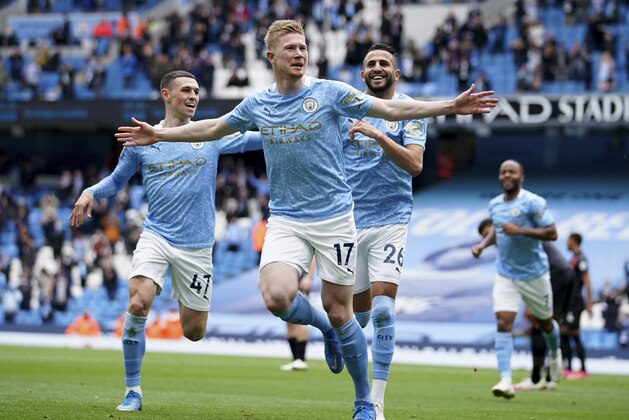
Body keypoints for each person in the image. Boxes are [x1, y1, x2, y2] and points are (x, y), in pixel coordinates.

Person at [115, 20, 497, 419]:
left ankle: (364, 401)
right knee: (277, 297)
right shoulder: (258, 103)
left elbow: (392, 108)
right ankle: (325, 329)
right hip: (286, 219)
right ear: (272, 57)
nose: (300, 54)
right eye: (291, 48)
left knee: (341, 309)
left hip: (335, 220)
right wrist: (158, 136)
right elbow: (212, 128)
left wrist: (450, 106)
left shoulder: (330, 93)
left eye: (303, 47)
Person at [69, 70, 262, 412]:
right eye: (186, 90)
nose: (193, 96)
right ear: (166, 94)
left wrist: (294, 130)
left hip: (197, 246)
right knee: (138, 303)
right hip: (156, 236)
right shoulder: (144, 140)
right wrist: (89, 191)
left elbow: (254, 138)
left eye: (197, 91)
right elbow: (115, 183)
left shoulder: (211, 134)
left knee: (194, 331)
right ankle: (133, 391)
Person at [343, 43, 426, 420]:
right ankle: (335, 332)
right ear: (362, 75)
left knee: (383, 313)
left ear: (396, 73)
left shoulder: (409, 111)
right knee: (354, 318)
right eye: (370, 64)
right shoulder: (345, 107)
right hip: (347, 223)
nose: (377, 68)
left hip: (392, 220)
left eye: (384, 63)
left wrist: (378, 136)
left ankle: (375, 401)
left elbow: (415, 165)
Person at [471, 160, 562, 399]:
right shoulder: (495, 205)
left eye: (512, 171)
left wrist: (520, 230)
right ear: (500, 177)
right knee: (503, 322)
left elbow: (552, 233)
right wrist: (482, 245)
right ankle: (505, 380)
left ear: (522, 177)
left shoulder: (533, 203)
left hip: (535, 275)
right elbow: (497, 230)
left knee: (545, 323)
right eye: (503, 172)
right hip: (506, 274)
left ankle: (555, 353)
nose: (507, 175)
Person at [477, 218, 575, 391]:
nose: (490, 240)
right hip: (565, 272)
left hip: (550, 273)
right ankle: (549, 376)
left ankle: (536, 378)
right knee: (548, 324)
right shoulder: (512, 234)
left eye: (488, 234)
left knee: (537, 321)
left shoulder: (511, 234)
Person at [562, 232, 593, 379]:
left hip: (575, 303)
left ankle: (581, 369)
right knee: (566, 334)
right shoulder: (573, 259)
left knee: (572, 334)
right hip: (568, 303)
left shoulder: (581, 259)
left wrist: (589, 303)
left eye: (568, 240)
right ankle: (568, 367)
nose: (566, 243)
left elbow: (587, 282)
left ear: (574, 241)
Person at [281, 257, 316, 371]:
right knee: (288, 318)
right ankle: (295, 359)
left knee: (300, 317)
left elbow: (313, 256)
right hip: (286, 277)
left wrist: (308, 277)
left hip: (300, 276)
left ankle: (301, 359)